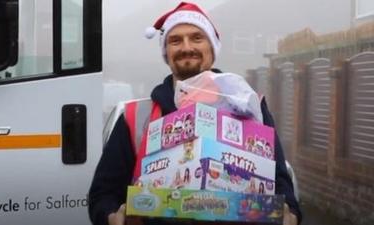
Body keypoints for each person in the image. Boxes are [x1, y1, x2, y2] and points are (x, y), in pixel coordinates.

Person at [88, 2, 302, 225]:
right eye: (175, 40)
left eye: (197, 38)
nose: (186, 47)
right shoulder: (135, 117)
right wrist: (112, 216)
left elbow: (281, 183)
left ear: (213, 48)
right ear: (166, 52)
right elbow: (102, 195)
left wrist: (291, 215)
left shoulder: (250, 108)